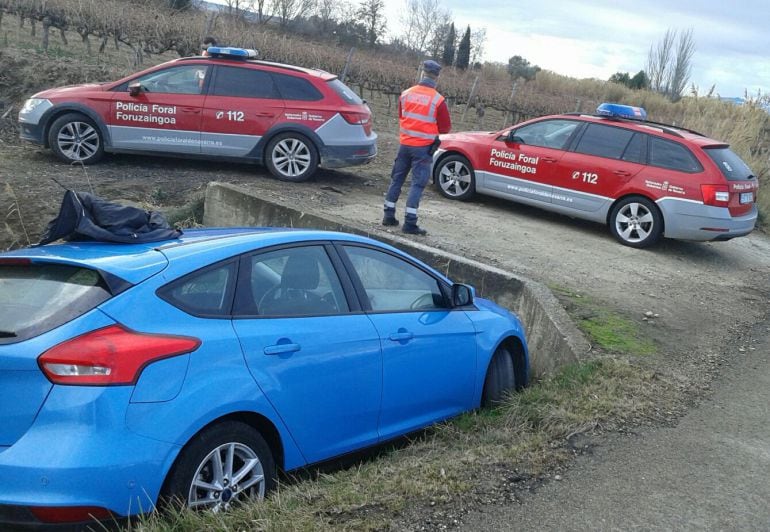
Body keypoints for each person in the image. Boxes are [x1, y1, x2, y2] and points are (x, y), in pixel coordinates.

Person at [382, 59, 451, 236]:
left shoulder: (405, 94)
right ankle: (410, 223)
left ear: (422, 73)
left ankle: (388, 215)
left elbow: (401, 116)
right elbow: (445, 128)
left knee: (396, 179)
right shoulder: (438, 100)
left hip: (404, 145)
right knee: (417, 184)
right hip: (423, 149)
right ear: (437, 77)